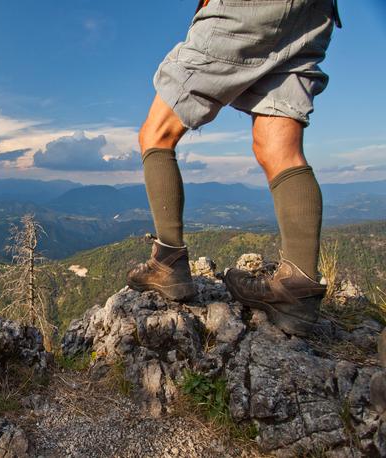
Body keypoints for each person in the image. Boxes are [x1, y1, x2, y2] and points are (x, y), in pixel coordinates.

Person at [127, 0, 340, 336]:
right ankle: (297, 290)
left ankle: (167, 262)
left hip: (249, 7)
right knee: (278, 148)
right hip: (314, 12)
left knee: (156, 133)